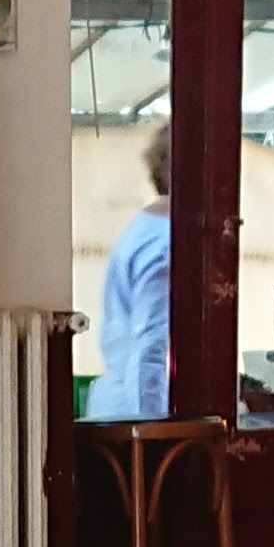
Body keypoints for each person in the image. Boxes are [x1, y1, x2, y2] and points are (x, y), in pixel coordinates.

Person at [92, 123, 172, 419]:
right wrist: (151, 430)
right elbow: (150, 346)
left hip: (118, 405)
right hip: (135, 412)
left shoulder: (144, 230)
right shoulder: (164, 242)